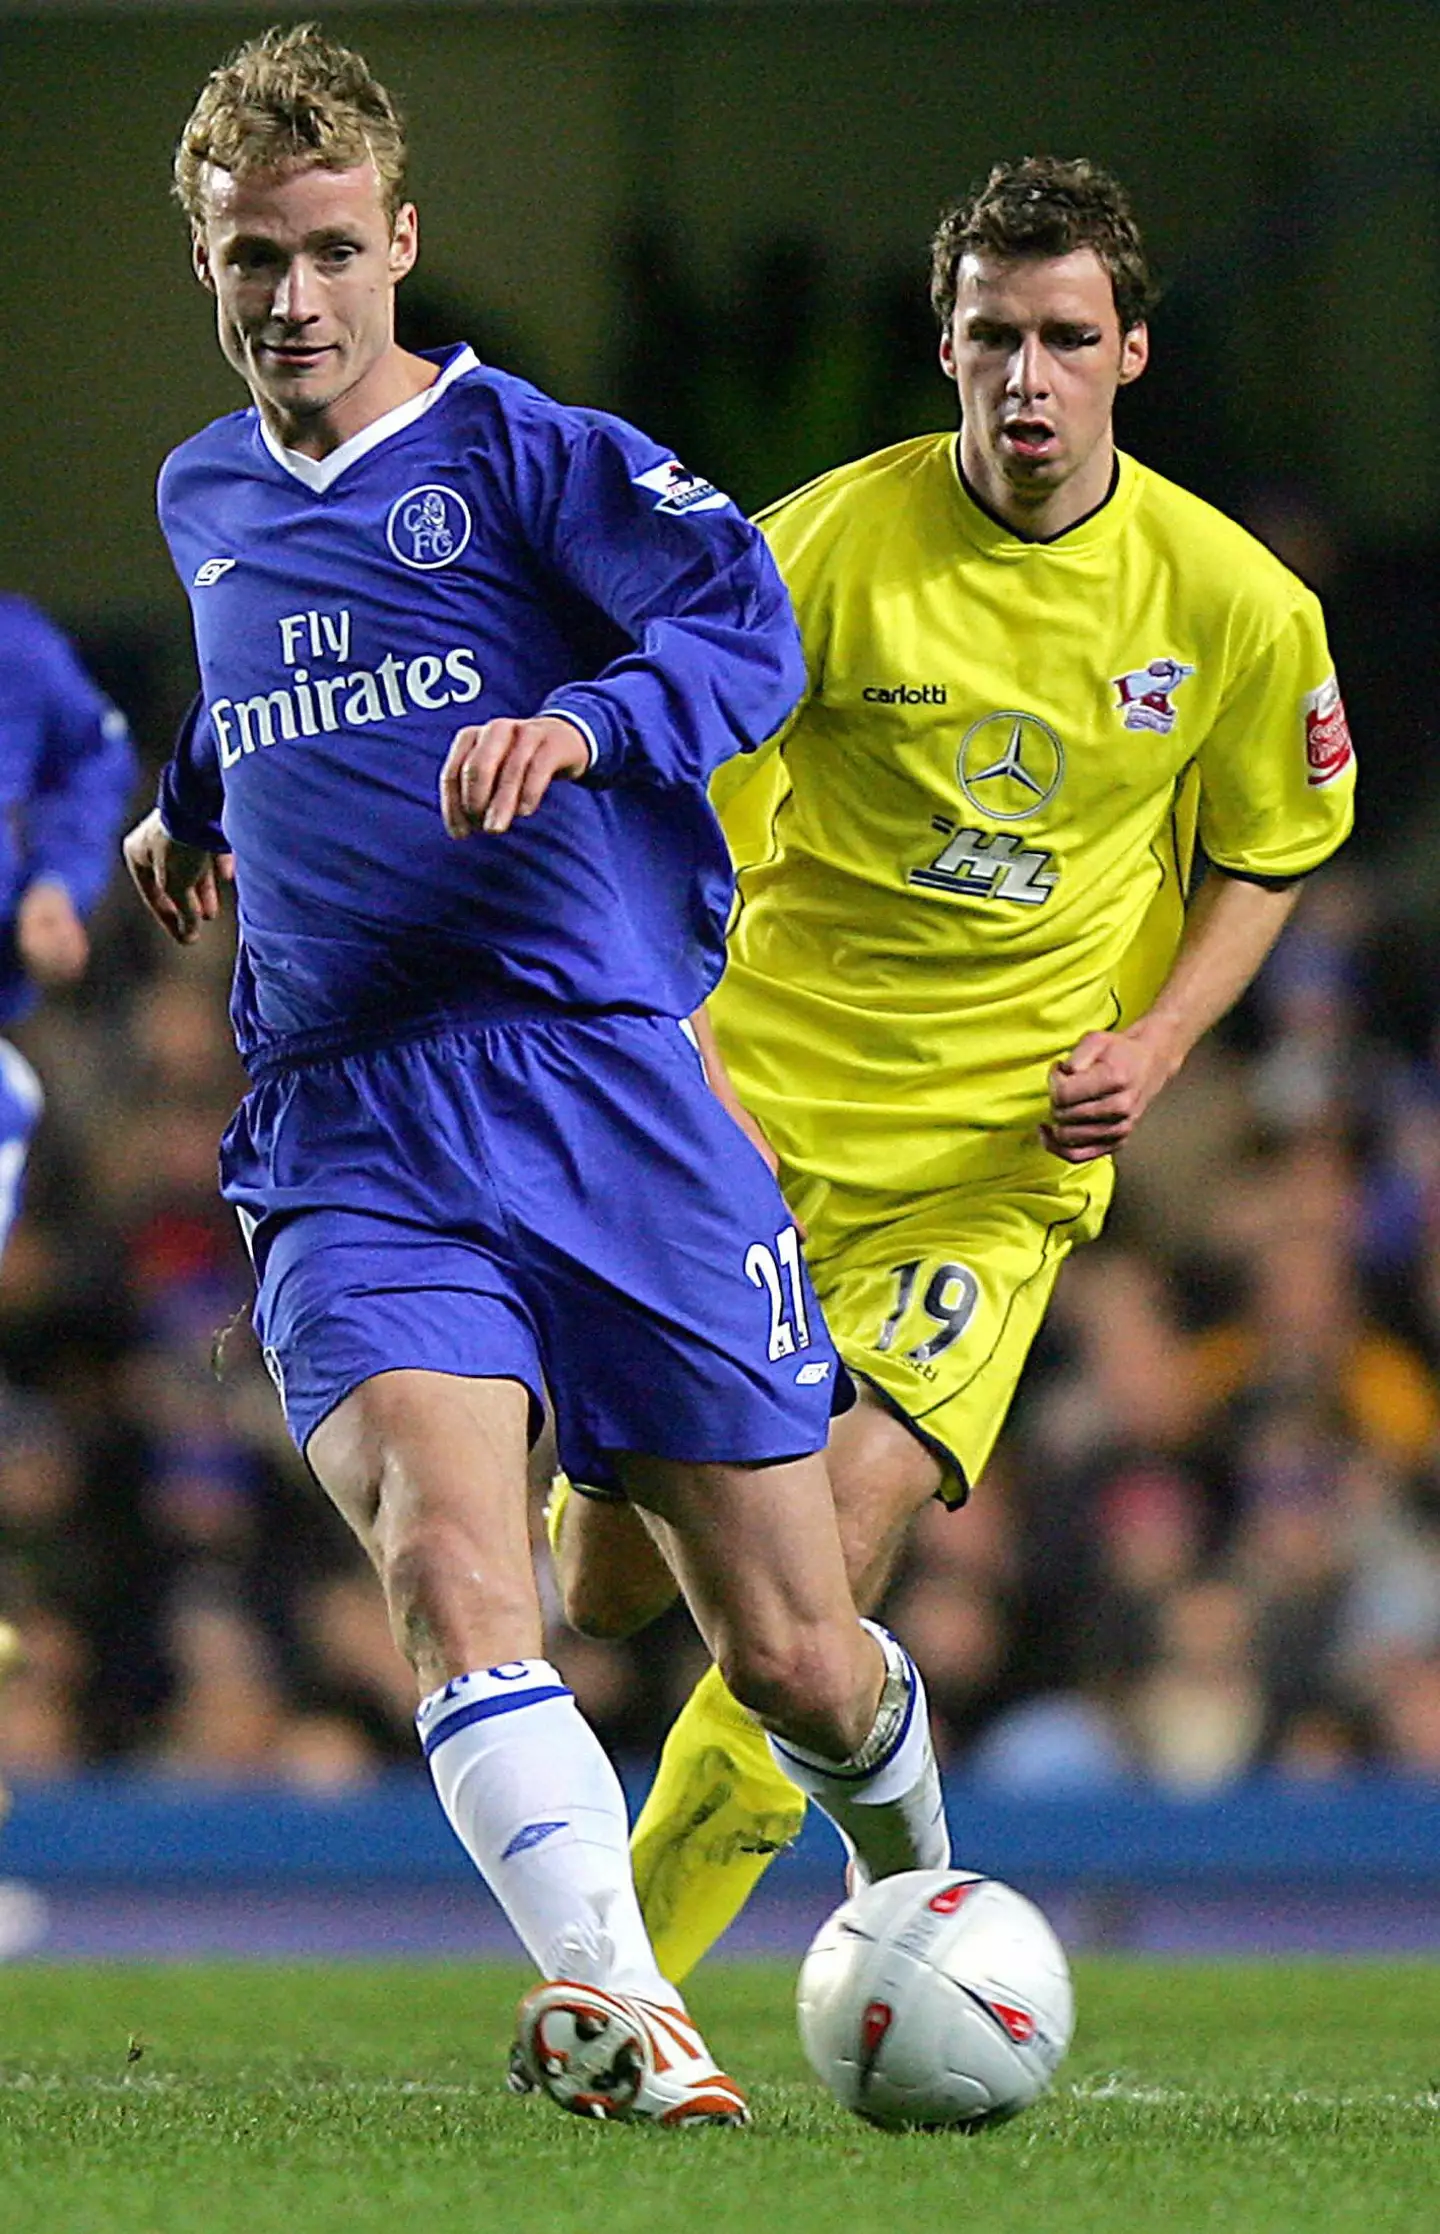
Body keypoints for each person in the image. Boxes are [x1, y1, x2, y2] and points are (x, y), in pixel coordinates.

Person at [121, 24, 948, 2128]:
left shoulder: (529, 453)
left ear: (400, 243)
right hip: (350, 1119)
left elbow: (744, 625)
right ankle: (623, 2001)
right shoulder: (201, 490)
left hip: (603, 1096)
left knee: (791, 1656)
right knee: (444, 1557)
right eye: (248, 264)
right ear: (205, 268)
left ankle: (918, 1878)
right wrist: (192, 798)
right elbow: (278, 674)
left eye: (324, 252)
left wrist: (584, 729)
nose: (289, 300)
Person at [547, 155, 1357, 1979]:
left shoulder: (1232, 604)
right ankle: (874, 1768)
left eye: (1069, 337)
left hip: (986, 1178)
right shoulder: (814, 552)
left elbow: (1277, 842)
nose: (1029, 376)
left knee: (802, 1590)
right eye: (996, 335)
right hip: (734, 1143)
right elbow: (666, 846)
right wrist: (681, 1071)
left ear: (1130, 353)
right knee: (593, 1597)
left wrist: (1157, 1038)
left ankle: (615, 1985)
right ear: (946, 346)